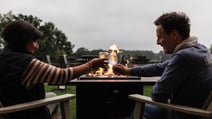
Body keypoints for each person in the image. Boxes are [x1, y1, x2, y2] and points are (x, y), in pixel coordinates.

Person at [113, 11, 212, 119]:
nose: (157, 42)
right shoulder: (200, 49)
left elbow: (158, 94)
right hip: (195, 110)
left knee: (142, 107)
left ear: (174, 35)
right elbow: (160, 67)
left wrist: (167, 81)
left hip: (182, 114)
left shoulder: (183, 57)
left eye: (160, 37)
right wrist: (129, 71)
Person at [0, 20, 107, 119]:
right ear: (23, 41)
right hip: (26, 113)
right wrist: (90, 64)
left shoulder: (4, 56)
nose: (36, 46)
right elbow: (62, 76)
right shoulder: (27, 63)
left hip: (8, 110)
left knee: (52, 95)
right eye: (34, 41)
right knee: (57, 99)